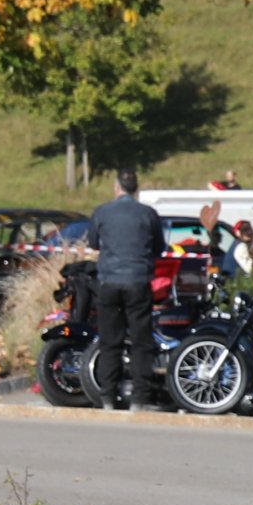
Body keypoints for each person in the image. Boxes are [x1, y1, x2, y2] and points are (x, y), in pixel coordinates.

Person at [87, 169, 165, 410]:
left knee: (110, 341)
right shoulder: (148, 214)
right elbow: (159, 248)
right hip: (138, 281)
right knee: (142, 341)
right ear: (136, 189)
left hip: (109, 282)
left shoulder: (102, 212)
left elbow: (93, 243)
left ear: (116, 187)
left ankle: (108, 396)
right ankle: (140, 398)